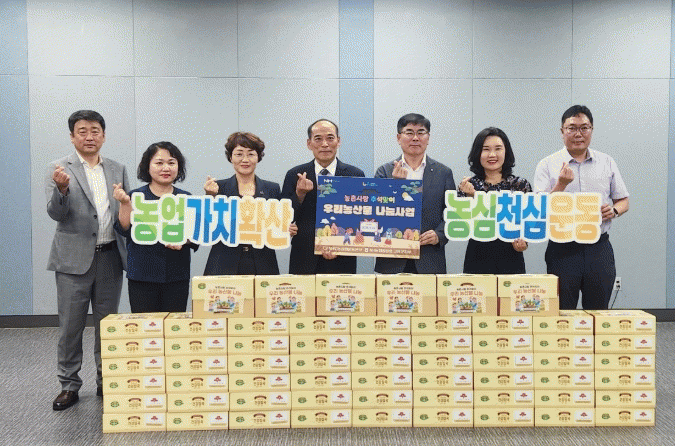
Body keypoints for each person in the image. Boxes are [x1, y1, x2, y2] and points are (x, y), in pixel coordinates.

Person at [46, 110, 128, 409]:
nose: (89, 136)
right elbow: (56, 213)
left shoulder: (117, 169)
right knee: (71, 327)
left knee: (108, 325)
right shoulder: (58, 169)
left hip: (110, 257)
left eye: (95, 131)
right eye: (82, 131)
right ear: (72, 136)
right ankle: (69, 385)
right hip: (72, 261)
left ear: (103, 135)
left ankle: (107, 380)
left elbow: (125, 211)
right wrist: (62, 189)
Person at [534, 105, 629, 310]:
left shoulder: (607, 162)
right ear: (562, 131)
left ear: (591, 130)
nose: (578, 134)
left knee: (598, 312)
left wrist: (614, 211)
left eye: (584, 128)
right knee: (562, 311)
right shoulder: (547, 164)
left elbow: (623, 201)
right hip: (562, 248)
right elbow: (539, 209)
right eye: (572, 128)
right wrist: (561, 184)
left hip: (599, 247)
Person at [113, 142, 197, 313]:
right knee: (144, 325)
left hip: (176, 275)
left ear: (178, 167)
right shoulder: (135, 196)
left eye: (171, 163)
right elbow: (123, 229)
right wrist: (124, 204)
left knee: (174, 324)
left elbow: (195, 236)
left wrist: (184, 240)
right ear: (147, 166)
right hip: (142, 275)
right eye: (159, 163)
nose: (166, 168)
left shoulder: (186, 198)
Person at [374, 113, 455, 274]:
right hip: (392, 259)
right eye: (409, 132)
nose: (415, 138)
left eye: (421, 132)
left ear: (428, 137)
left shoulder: (443, 172)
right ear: (399, 138)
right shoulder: (385, 172)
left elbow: (453, 213)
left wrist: (439, 235)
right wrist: (396, 186)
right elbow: (376, 212)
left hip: (430, 258)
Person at [281, 119, 365, 274]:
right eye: (318, 139)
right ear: (309, 143)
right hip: (304, 256)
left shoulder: (355, 175)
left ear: (338, 141)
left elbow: (360, 217)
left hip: (343, 258)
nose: (325, 144)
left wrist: (339, 246)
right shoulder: (295, 174)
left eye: (330, 138)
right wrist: (300, 194)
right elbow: (284, 219)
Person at [203, 132, 288, 275]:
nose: (245, 159)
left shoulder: (272, 188)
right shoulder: (218, 188)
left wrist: (286, 228)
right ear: (230, 157)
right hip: (224, 261)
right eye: (239, 154)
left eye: (251, 154)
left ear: (258, 157)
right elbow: (207, 225)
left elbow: (278, 225)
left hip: (263, 262)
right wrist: (210, 196)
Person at [457, 127, 531, 274]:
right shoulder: (468, 185)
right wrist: (471, 196)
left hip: (511, 257)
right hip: (477, 257)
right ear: (478, 153)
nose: (492, 155)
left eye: (498, 149)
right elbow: (461, 224)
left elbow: (528, 223)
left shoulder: (520, 185)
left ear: (506, 152)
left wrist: (524, 242)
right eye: (486, 149)